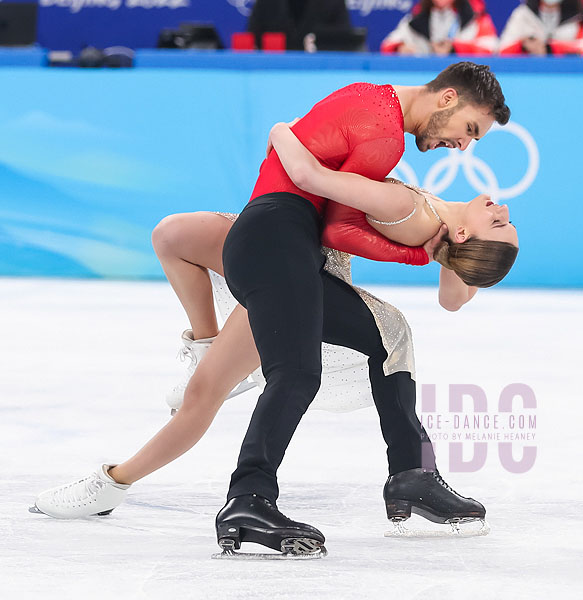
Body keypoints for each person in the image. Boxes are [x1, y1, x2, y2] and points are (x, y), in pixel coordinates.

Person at [33, 62, 512, 557]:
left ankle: (111, 481)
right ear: (447, 98)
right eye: (471, 129)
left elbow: (334, 211)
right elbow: (335, 222)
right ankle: (251, 496)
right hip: (280, 242)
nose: (465, 145)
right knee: (298, 374)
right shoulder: (384, 135)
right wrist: (413, 250)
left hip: (279, 246)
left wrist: (283, 133)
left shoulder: (377, 107)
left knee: (366, 338)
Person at [380, 0, 498, 56]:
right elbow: (387, 45)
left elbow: (491, 49)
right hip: (425, 79)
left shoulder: (475, 17)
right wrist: (401, 48)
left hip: (464, 81)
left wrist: (454, 48)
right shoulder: (417, 18)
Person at [248, 0, 351, 51]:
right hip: (272, 73)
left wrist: (321, 43)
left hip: (319, 73)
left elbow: (345, 42)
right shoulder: (267, 2)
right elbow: (251, 40)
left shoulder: (332, 2)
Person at [499, 0, 583, 55]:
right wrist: (523, 45)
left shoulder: (578, 17)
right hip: (530, 72)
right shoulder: (522, 14)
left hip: (567, 74)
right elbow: (502, 50)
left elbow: (580, 47)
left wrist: (550, 48)